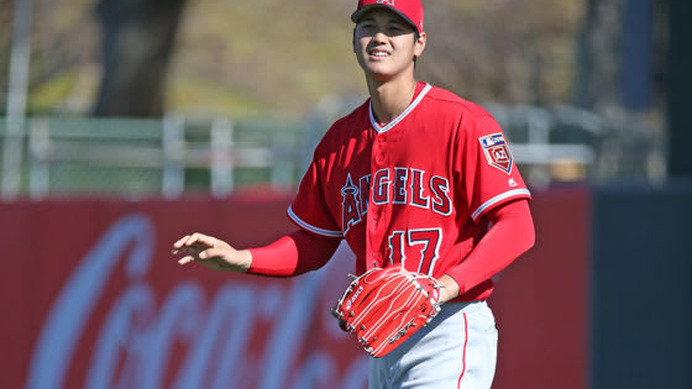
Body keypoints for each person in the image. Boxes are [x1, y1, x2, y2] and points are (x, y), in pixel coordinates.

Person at [172, 0, 535, 387]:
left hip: (448, 327)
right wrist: (242, 258)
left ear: (419, 43)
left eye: (395, 28)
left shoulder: (462, 122)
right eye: (369, 25)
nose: (380, 37)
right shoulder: (339, 142)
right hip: (385, 340)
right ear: (354, 39)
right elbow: (313, 242)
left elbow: (517, 226)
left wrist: (441, 288)